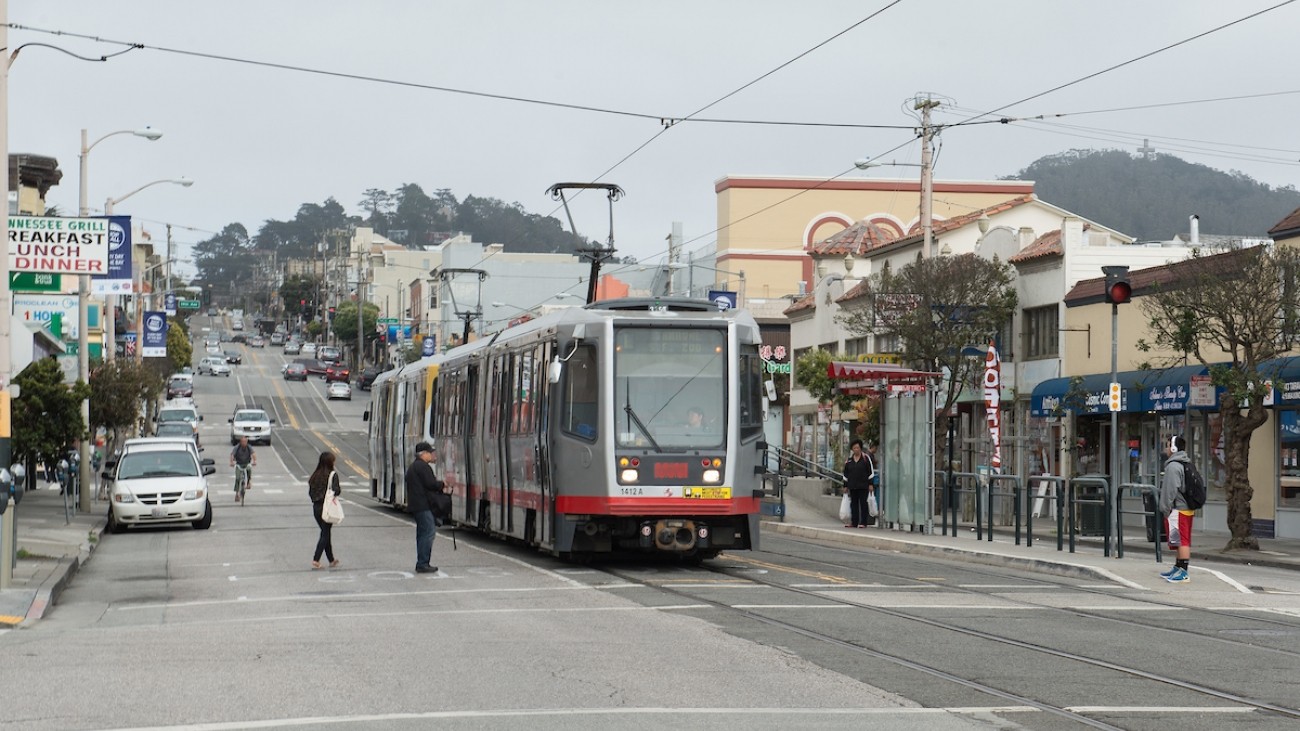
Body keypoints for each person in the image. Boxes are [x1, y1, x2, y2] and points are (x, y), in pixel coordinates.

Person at [405, 441, 446, 574]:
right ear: (423, 454)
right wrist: (442, 484)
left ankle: (422, 561)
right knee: (428, 532)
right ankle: (423, 563)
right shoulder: (422, 467)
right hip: (423, 505)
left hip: (416, 505)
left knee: (422, 533)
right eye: (430, 452)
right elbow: (431, 484)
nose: (431, 455)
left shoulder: (413, 467)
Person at [1159, 435, 1194, 583]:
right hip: (1182, 508)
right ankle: (1178, 567)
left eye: (1168, 446)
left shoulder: (1173, 466)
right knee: (1177, 540)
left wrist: (1164, 508)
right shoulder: (1184, 463)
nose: (1166, 449)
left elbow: (1170, 490)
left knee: (1182, 541)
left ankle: (1184, 572)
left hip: (1178, 509)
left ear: (1173, 448)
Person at [307, 451, 342, 570]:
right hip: (326, 507)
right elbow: (337, 490)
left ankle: (331, 559)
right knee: (325, 533)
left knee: (325, 532)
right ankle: (316, 559)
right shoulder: (332, 475)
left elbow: (310, 493)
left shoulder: (315, 475)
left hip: (316, 507)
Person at [842, 439, 876, 528]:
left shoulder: (865, 458)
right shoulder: (849, 461)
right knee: (853, 504)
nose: (856, 449)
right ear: (852, 449)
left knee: (863, 504)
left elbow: (870, 472)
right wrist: (845, 485)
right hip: (852, 486)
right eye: (854, 448)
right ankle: (854, 522)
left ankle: (863, 522)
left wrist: (871, 484)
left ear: (860, 448)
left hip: (863, 485)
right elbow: (846, 474)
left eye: (857, 447)